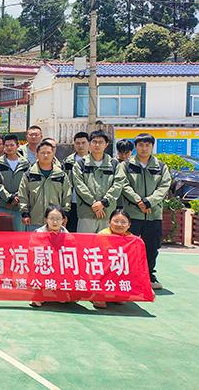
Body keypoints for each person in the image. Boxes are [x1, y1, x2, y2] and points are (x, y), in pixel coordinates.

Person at [121, 133, 172, 290]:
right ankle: (127, 277)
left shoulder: (161, 167)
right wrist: (138, 201)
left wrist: (149, 201)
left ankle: (149, 276)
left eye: (147, 145)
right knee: (128, 246)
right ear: (135, 147)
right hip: (132, 214)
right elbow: (123, 184)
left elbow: (164, 186)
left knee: (151, 247)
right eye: (141, 145)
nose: (144, 148)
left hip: (153, 215)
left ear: (152, 147)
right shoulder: (126, 165)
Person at [72, 130, 126, 234]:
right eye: (94, 142)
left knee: (105, 242)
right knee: (85, 243)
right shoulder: (80, 164)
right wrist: (94, 204)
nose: (97, 145)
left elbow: (118, 184)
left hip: (107, 213)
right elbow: (79, 186)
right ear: (89, 143)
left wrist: (103, 202)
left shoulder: (114, 164)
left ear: (106, 144)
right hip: (86, 213)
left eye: (101, 142)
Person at [18, 141, 72, 231]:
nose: (46, 155)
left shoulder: (61, 175)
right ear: (37, 155)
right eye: (42, 153)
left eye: (48, 153)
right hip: (34, 220)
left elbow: (67, 196)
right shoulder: (29, 174)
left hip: (55, 221)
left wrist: (65, 214)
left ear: (53, 154)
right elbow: (23, 195)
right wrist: (25, 213)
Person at [30, 204, 70, 308]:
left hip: (60, 266)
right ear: (46, 219)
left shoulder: (67, 235)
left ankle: (59, 290)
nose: (55, 222)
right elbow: (32, 251)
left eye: (58, 219)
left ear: (63, 220)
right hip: (43, 264)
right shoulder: (38, 233)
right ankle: (38, 294)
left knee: (64, 299)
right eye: (51, 218)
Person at [94, 209, 135, 309]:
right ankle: (97, 294)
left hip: (119, 270)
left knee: (121, 300)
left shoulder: (132, 239)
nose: (119, 225)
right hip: (102, 269)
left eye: (123, 222)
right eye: (116, 221)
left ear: (129, 225)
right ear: (109, 222)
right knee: (100, 303)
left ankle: (118, 292)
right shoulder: (102, 235)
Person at [0, 134, 29, 231]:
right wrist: (9, 198)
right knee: (2, 235)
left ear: (18, 146)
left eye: (12, 145)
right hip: (3, 205)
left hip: (20, 207)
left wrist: (17, 198)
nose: (9, 148)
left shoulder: (25, 164)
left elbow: (27, 183)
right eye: (6, 145)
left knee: (20, 235)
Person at [63, 131, 90, 232]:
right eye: (78, 143)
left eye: (83, 143)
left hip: (88, 202)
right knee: (70, 231)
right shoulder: (67, 161)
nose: (80, 146)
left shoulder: (94, 160)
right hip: (71, 201)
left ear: (89, 143)